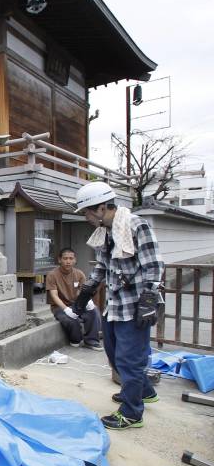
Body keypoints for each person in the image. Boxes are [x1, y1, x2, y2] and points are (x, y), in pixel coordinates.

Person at [72, 181, 164, 430]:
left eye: (88, 212)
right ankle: (143, 391)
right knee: (113, 351)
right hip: (115, 305)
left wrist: (148, 301)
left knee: (129, 360)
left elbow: (153, 266)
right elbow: (102, 267)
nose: (87, 218)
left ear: (102, 208)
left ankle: (132, 413)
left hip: (136, 307)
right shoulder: (106, 232)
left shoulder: (136, 225)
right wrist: (85, 293)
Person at [45, 248, 102, 350]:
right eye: (65, 258)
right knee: (71, 321)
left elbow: (82, 292)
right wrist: (66, 309)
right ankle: (76, 339)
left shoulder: (79, 274)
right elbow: (54, 295)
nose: (68, 261)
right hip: (59, 307)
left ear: (75, 260)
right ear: (59, 260)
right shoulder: (52, 275)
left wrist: (87, 301)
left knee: (94, 312)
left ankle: (91, 341)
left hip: (76, 304)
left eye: (71, 258)